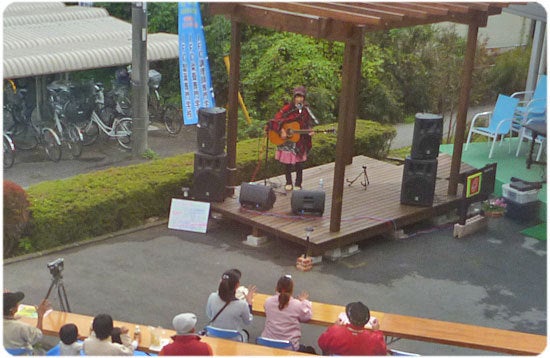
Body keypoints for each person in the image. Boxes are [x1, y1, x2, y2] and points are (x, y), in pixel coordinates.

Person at [269, 86, 316, 191]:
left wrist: (310, 130)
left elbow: (308, 123)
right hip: (288, 141)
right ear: (293, 98)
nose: (299, 99)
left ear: (304, 98)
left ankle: (298, 183)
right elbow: (276, 120)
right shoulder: (287, 109)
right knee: (288, 164)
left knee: (299, 163)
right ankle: (288, 182)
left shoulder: (305, 110)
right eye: (297, 97)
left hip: (300, 139)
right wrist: (281, 130)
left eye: (301, 97)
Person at [260, 275, 314, 353]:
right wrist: (305, 302)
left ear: (276, 288)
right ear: (292, 290)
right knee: (310, 351)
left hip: (268, 342)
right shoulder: (297, 305)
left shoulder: (268, 301)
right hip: (288, 346)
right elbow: (307, 317)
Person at [317, 301, 387, 355]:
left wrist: (335, 327)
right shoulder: (375, 339)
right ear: (367, 321)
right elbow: (382, 353)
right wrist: (377, 331)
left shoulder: (335, 332)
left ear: (349, 318)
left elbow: (322, 344)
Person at [205, 269, 256, 342]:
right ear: (237, 285)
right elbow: (248, 321)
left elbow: (209, 314)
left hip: (213, 335)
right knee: (245, 334)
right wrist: (249, 304)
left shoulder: (212, 296)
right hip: (234, 339)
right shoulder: (242, 304)